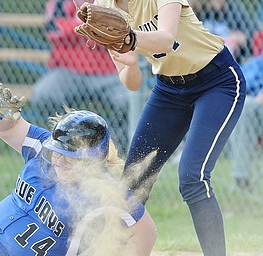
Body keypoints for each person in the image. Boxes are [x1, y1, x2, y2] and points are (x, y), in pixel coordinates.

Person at [89, 0, 247, 255]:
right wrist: (129, 63)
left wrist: (129, 39)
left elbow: (166, 40)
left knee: (192, 178)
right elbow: (131, 83)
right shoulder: (104, 8)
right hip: (169, 90)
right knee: (131, 185)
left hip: (216, 81)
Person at [0, 83, 157, 256]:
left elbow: (145, 230)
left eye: (69, 157)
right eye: (58, 152)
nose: (59, 160)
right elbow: (5, 129)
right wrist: (0, 114)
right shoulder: (44, 148)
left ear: (91, 161)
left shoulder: (103, 191)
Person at [29, 0, 130, 155]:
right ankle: (58, 148)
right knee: (44, 94)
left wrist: (76, 26)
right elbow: (53, 29)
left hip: (110, 70)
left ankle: (112, 151)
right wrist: (90, 25)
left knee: (128, 100)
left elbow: (124, 32)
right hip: (69, 69)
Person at [228, 53, 263, 190]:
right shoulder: (255, 62)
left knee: (245, 106)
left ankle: (241, 175)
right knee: (243, 106)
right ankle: (241, 177)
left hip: (255, 109)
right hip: (248, 109)